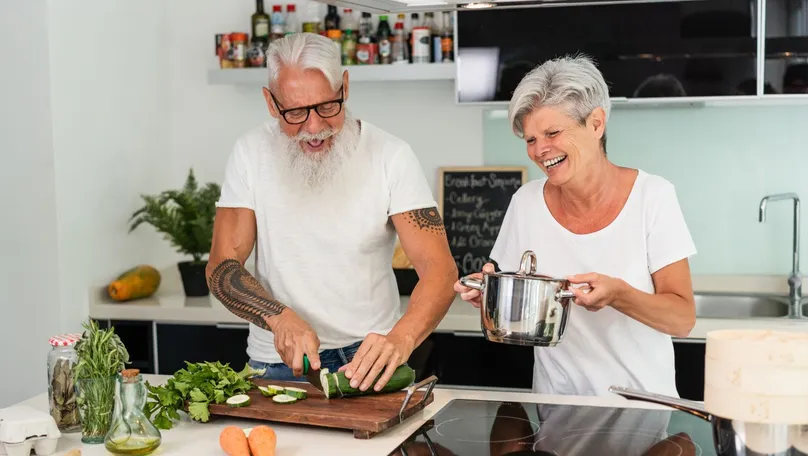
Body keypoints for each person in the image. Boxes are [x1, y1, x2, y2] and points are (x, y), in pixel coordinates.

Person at [206, 32, 458, 391]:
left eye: (328, 106)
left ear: (345, 87)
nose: (314, 128)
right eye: (295, 112)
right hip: (276, 364)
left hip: (368, 360)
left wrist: (400, 340)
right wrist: (278, 318)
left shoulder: (391, 156)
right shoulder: (250, 153)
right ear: (270, 102)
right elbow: (222, 264)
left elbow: (440, 271)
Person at [454, 55, 697, 398]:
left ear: (596, 123)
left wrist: (619, 295)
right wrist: (490, 296)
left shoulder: (652, 196)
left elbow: (682, 319)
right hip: (556, 408)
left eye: (552, 133)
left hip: (643, 409)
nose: (540, 151)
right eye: (530, 139)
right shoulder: (526, 202)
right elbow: (518, 308)